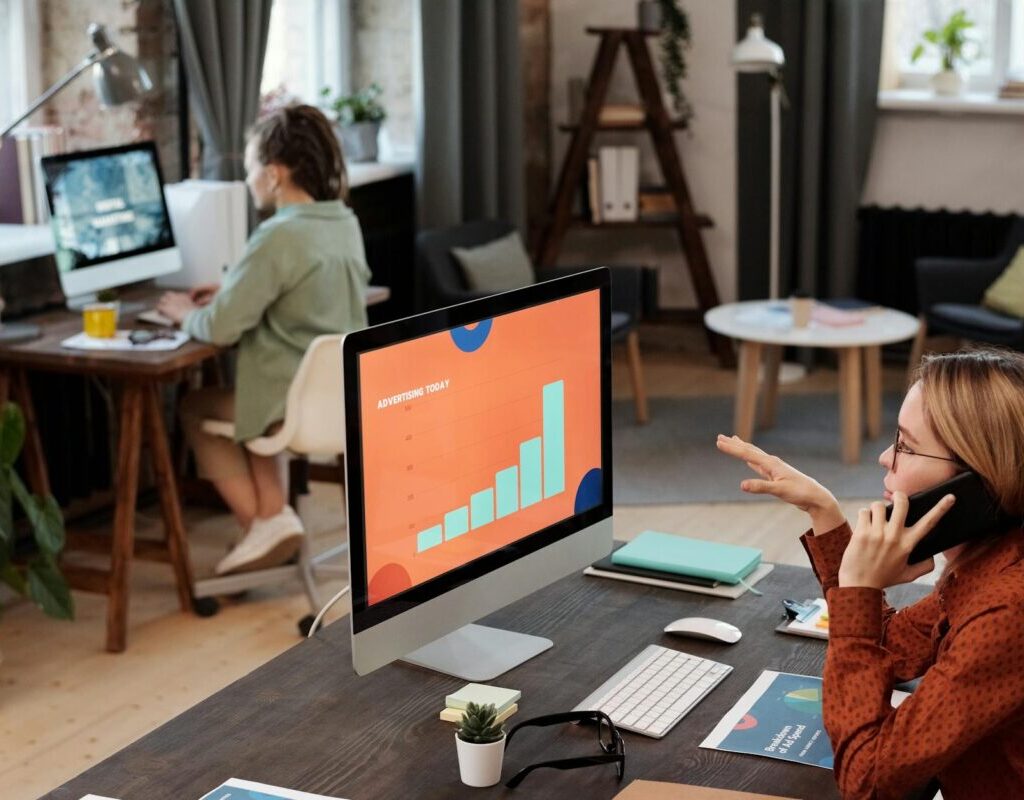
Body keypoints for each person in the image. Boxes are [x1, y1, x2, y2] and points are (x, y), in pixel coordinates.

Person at [717, 348, 1024, 800]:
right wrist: (825, 515)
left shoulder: (1006, 607)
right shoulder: (988, 561)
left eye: (905, 445)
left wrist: (861, 587)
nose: (884, 457)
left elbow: (868, 779)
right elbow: (890, 650)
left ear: (975, 482)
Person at [157, 104, 370, 576]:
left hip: (286, 407)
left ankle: (265, 523)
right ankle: (272, 521)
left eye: (252, 167)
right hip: (342, 400)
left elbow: (220, 328)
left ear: (274, 175)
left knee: (195, 407)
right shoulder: (343, 223)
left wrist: (186, 314)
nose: (249, 176)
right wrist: (233, 288)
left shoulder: (277, 236)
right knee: (254, 393)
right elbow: (300, 291)